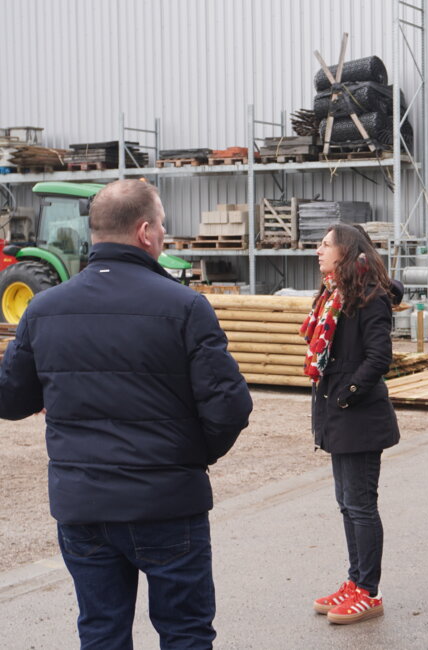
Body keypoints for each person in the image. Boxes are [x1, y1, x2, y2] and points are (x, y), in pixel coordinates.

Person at [0, 179, 253, 648]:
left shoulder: (43, 309)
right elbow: (231, 406)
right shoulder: (185, 306)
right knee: (185, 633)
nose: (163, 234)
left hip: (83, 505)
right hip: (167, 502)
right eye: (161, 225)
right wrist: (192, 455)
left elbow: (9, 400)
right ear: (144, 232)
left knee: (101, 631)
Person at [305, 223, 400, 625]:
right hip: (338, 415)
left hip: (358, 416)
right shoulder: (334, 295)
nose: (318, 250)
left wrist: (347, 394)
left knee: (361, 506)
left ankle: (368, 591)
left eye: (326, 245)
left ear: (345, 251)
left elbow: (379, 358)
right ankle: (355, 579)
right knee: (347, 504)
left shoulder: (369, 298)